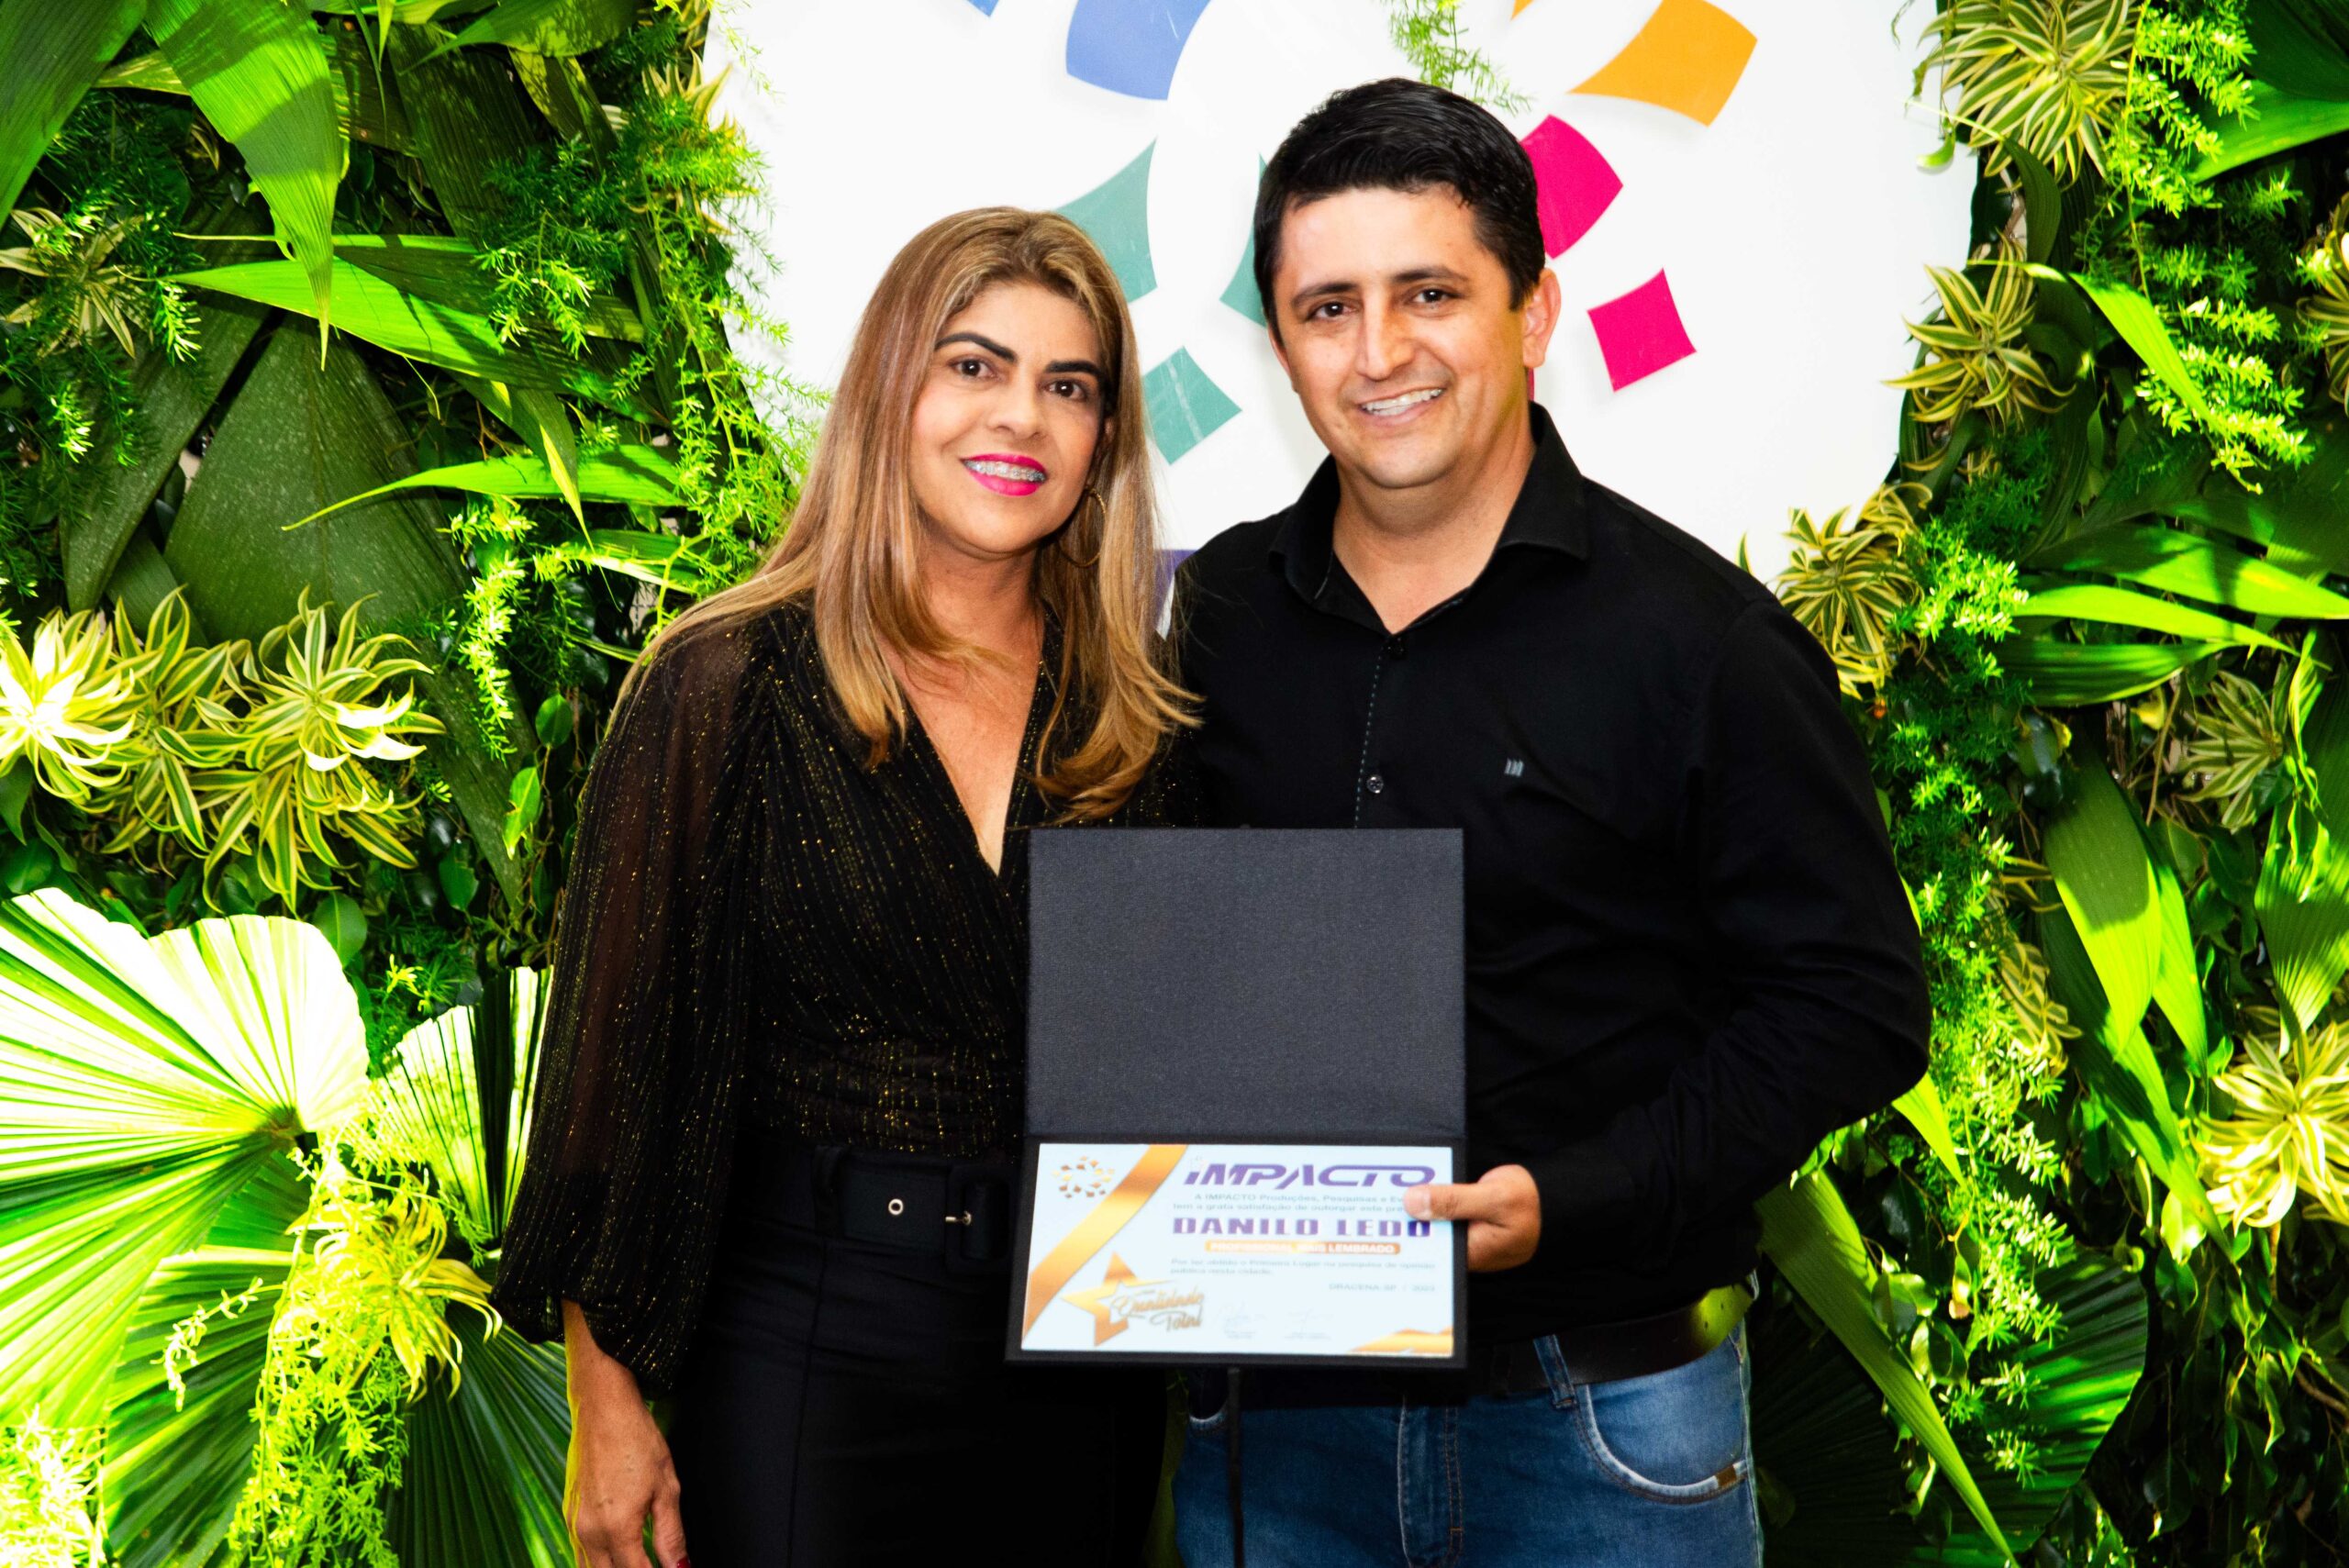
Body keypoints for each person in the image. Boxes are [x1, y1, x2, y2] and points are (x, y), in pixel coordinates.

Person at [1169, 78, 1932, 1567]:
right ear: (1281, 347)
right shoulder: (1220, 615)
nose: (1378, 351)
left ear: (1534, 313)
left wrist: (1577, 1199)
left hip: (1602, 1428)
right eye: (1328, 308)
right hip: (1278, 1435)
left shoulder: (1699, 641)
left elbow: (1854, 1005)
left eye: (1430, 293)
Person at [491, 207, 1193, 1568]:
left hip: (1089, 1354)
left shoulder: (1139, 719)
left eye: (1069, 386)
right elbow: (612, 1083)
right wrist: (607, 1406)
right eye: (974, 366)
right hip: (807, 1345)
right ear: (888, 392)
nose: (1023, 417)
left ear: (1104, 439)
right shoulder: (726, 682)